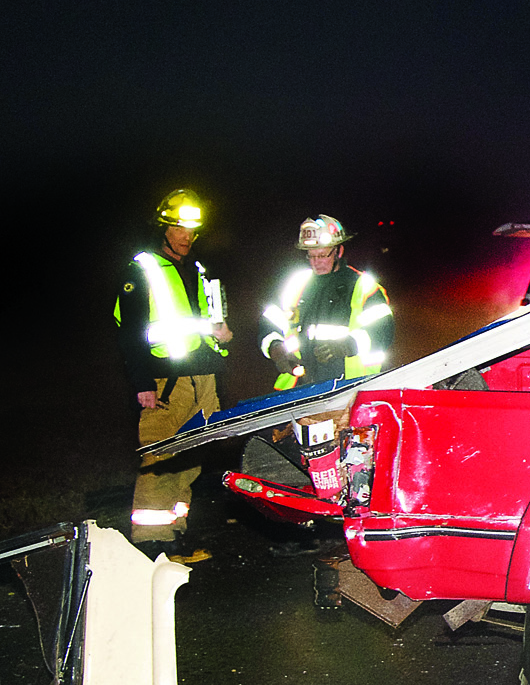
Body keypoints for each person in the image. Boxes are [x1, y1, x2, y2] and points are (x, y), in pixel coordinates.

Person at [113, 189, 232, 561]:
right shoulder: (142, 270)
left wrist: (222, 336)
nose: (186, 236)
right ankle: (151, 544)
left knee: (190, 462)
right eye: (179, 227)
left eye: (192, 230)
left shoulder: (197, 270)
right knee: (160, 461)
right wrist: (142, 384)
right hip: (166, 382)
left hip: (202, 376)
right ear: (163, 227)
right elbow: (129, 332)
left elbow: (207, 322)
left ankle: (174, 537)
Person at [258, 214, 394, 389]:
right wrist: (276, 349)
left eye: (322, 256)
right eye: (311, 256)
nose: (316, 263)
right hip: (299, 389)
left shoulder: (364, 286)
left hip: (351, 388)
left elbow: (382, 331)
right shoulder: (295, 284)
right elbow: (269, 322)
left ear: (339, 251)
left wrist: (346, 346)